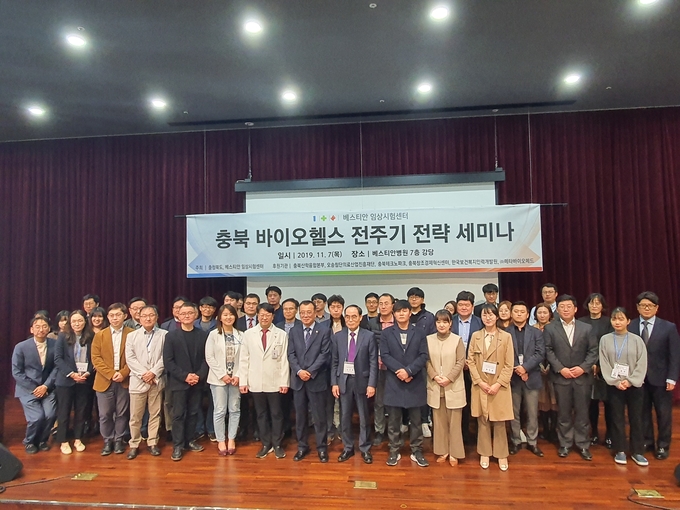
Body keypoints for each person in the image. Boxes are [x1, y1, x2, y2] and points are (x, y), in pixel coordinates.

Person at [544, 295, 598, 461]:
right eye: (562, 307)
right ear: (557, 310)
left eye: (569, 306)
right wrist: (561, 369)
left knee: (582, 413)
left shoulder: (586, 328)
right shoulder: (550, 328)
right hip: (561, 378)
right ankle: (565, 443)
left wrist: (583, 368)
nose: (565, 309)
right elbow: (548, 350)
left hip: (582, 378)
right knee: (564, 413)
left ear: (575, 309)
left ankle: (583, 444)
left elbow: (593, 351)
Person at [628, 291, 680, 460]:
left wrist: (672, 377)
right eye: (643, 305)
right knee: (642, 413)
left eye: (650, 306)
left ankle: (663, 445)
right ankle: (647, 441)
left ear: (656, 308)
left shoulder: (668, 327)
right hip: (638, 379)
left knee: (663, 414)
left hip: (661, 378)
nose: (646, 308)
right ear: (637, 307)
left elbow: (674, 355)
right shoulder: (631, 326)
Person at [381, 299, 430, 467]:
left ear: (410, 313)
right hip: (394, 381)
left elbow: (423, 355)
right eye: (398, 311)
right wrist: (401, 372)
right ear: (393, 314)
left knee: (416, 421)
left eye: (404, 311)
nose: (401, 314)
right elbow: (385, 355)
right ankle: (394, 450)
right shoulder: (387, 333)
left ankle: (417, 450)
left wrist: (409, 371)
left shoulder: (420, 332)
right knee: (394, 421)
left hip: (414, 381)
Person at [238, 303, 290, 459]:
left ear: (273, 316)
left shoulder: (281, 334)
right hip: (255, 381)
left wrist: (284, 382)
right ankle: (266, 443)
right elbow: (244, 359)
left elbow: (284, 360)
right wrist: (243, 381)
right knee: (260, 414)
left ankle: (277, 444)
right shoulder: (248, 334)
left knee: (276, 413)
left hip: (275, 381)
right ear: (257, 316)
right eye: (261, 314)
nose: (264, 317)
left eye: (268, 315)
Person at [467, 304, 514, 471]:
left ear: (497, 316)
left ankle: (501, 454)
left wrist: (498, 384)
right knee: (483, 420)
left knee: (500, 421)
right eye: (484, 315)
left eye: (491, 315)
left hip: (499, 386)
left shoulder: (506, 337)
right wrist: (480, 382)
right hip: (481, 385)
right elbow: (470, 361)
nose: (488, 318)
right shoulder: (476, 336)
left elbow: (509, 364)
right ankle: (484, 452)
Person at [600, 307, 648, 466]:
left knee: (636, 418)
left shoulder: (637, 340)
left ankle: (637, 451)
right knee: (616, 418)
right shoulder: (605, 339)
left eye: (621, 319)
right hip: (615, 386)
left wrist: (631, 380)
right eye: (614, 319)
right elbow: (604, 363)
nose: (617, 322)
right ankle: (620, 449)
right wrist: (616, 382)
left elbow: (642, 363)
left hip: (634, 386)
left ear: (628, 321)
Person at [163, 302, 209, 461]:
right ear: (178, 315)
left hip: (197, 382)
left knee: (193, 412)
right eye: (183, 313)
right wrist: (185, 376)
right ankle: (178, 445)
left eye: (190, 313)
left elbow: (207, 359)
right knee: (178, 414)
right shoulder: (171, 336)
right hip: (179, 382)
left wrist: (198, 376)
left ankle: (190, 440)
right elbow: (168, 362)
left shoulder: (203, 335)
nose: (187, 316)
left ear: (196, 315)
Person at [331, 304, 377, 463]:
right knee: (344, 418)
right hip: (343, 382)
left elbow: (373, 362)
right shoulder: (338, 336)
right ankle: (348, 448)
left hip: (362, 381)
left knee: (364, 417)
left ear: (360, 318)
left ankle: (365, 448)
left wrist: (372, 384)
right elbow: (334, 362)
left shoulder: (369, 336)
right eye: (348, 317)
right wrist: (334, 383)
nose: (350, 320)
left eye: (354, 317)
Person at [287, 300, 331, 462]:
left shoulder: (324, 330)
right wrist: (299, 371)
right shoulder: (294, 331)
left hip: (316, 379)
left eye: (309, 312)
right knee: (300, 417)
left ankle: (322, 448)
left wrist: (310, 371)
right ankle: (302, 446)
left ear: (315, 313)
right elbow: (291, 354)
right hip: (298, 381)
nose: (305, 315)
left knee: (319, 417)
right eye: (303, 312)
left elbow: (324, 354)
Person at [91, 303, 134, 456]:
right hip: (104, 380)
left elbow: (135, 357)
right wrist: (111, 374)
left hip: (124, 380)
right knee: (105, 414)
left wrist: (123, 373)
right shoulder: (100, 335)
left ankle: (119, 440)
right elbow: (96, 359)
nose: (115, 318)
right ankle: (107, 440)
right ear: (108, 317)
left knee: (122, 413)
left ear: (125, 316)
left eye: (118, 315)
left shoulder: (132, 334)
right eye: (111, 315)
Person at [125, 305, 167, 459]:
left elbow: (165, 357)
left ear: (156, 317)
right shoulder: (132, 336)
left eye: (151, 315)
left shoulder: (164, 335)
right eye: (144, 316)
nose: (148, 318)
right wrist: (144, 374)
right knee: (135, 416)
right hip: (138, 380)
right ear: (139, 318)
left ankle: (153, 442)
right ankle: (134, 444)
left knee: (155, 414)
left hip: (156, 380)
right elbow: (130, 358)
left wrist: (153, 373)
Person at [11, 316, 58, 454]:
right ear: (31, 329)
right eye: (37, 326)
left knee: (50, 415)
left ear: (49, 329)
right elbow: (17, 372)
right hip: (27, 389)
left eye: (44, 326)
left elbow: (57, 367)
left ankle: (43, 440)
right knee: (37, 417)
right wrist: (35, 388)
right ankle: (30, 442)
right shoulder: (21, 347)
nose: (41, 329)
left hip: (48, 388)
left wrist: (46, 386)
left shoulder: (55, 345)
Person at [426, 309, 466, 467]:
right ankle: (442, 451)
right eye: (438, 322)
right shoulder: (428, 340)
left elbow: (460, 361)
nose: (441, 325)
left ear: (450, 324)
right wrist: (435, 376)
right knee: (439, 422)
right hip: (435, 386)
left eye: (445, 322)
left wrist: (449, 378)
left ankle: (455, 452)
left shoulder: (457, 340)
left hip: (453, 386)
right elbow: (426, 361)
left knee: (455, 423)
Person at [507, 301, 545, 457]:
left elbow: (540, 353)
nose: (519, 314)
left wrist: (525, 368)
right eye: (516, 311)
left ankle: (532, 442)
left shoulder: (536, 333)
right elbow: (504, 354)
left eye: (522, 311)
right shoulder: (505, 332)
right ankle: (516, 441)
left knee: (532, 412)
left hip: (531, 377)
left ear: (528, 314)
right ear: (511, 313)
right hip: (512, 378)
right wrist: (517, 368)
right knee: (513, 412)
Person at [54, 310, 94, 454]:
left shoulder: (91, 336)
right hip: (66, 380)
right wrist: (72, 374)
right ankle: (63, 441)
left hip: (84, 380)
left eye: (80, 320)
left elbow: (94, 358)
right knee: (64, 412)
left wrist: (88, 372)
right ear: (70, 323)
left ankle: (78, 438)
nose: (77, 324)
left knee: (81, 411)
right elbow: (58, 359)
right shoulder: (62, 336)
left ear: (85, 321)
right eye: (74, 321)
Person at [206, 304, 243, 456]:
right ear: (220, 317)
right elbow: (209, 357)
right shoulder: (213, 335)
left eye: (231, 314)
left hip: (236, 379)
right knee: (220, 410)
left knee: (235, 409)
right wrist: (223, 375)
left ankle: (231, 439)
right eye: (225, 314)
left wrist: (238, 375)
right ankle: (221, 440)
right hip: (218, 379)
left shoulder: (241, 335)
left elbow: (244, 358)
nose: (228, 317)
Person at [578, 293, 614, 448]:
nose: (594, 306)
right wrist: (589, 363)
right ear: (587, 305)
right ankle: (594, 433)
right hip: (587, 368)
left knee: (609, 404)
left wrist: (599, 363)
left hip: (606, 368)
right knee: (591, 404)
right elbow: (579, 346)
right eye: (592, 303)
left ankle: (610, 434)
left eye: (598, 303)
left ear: (602, 306)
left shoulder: (609, 322)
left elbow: (610, 345)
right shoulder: (581, 322)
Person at [451, 290, 483, 444]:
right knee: (458, 403)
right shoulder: (450, 321)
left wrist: (469, 362)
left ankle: (476, 435)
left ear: (472, 306)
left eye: (467, 305)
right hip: (454, 369)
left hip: (475, 369)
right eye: (461, 304)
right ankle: (461, 435)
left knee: (474, 402)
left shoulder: (480, 322)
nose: (464, 307)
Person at [368, 293, 395, 446]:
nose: (383, 306)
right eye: (381, 303)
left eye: (386, 303)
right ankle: (379, 431)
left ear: (392, 305)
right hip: (377, 367)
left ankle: (393, 431)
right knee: (379, 402)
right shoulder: (372, 323)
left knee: (393, 402)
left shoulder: (398, 322)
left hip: (394, 368)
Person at [534, 303, 558, 442]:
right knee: (542, 400)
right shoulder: (532, 329)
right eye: (539, 312)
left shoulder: (556, 328)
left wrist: (551, 365)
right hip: (537, 370)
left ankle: (553, 429)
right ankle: (545, 429)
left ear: (550, 314)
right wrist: (538, 365)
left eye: (545, 312)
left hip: (554, 369)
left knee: (554, 400)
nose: (542, 315)